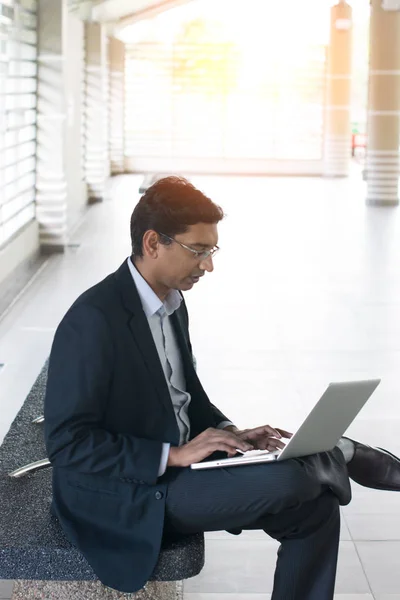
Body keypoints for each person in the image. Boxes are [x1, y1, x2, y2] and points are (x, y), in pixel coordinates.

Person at [44, 176, 400, 600]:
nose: (208, 265)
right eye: (198, 250)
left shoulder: (171, 304)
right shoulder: (94, 320)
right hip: (131, 492)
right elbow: (66, 443)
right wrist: (173, 454)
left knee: (316, 509)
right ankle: (345, 452)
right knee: (291, 484)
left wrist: (229, 431)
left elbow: (185, 395)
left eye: (212, 251)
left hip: (178, 468)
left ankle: (335, 453)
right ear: (154, 242)